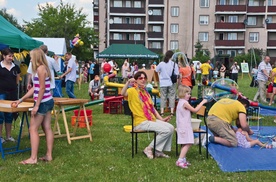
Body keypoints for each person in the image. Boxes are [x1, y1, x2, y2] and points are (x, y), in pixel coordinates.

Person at [14, 48, 54, 164]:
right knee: (47, 128)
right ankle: (49, 155)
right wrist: (20, 99)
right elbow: (34, 89)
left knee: (33, 129)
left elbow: (42, 88)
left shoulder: (41, 69)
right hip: (47, 101)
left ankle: (33, 158)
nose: (30, 59)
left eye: (31, 57)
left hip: (42, 102)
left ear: (36, 57)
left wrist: (36, 106)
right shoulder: (40, 69)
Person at [121, 71, 174, 159]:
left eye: (144, 78)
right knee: (166, 130)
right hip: (140, 122)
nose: (143, 80)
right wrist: (128, 82)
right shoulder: (132, 91)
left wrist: (161, 119)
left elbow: (152, 109)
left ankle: (158, 150)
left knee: (171, 128)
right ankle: (149, 148)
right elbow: (123, 93)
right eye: (140, 78)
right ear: (136, 80)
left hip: (150, 119)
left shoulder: (146, 92)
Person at [175, 85, 207, 168]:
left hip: (182, 125)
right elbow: (195, 110)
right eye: (188, 93)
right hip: (184, 126)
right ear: (182, 94)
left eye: (190, 93)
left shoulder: (181, 101)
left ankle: (183, 159)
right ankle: (180, 160)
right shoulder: (185, 103)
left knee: (185, 142)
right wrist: (202, 103)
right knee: (189, 142)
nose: (189, 95)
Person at [0, 48, 21, 143]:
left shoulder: (16, 67)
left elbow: (17, 79)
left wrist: (14, 87)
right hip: (1, 93)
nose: (11, 58)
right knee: (0, 115)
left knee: (9, 114)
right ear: (4, 56)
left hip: (12, 93)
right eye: (9, 56)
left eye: (12, 56)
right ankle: (0, 137)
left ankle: (8, 136)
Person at [155, 50, 179, 116]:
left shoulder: (161, 63)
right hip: (171, 83)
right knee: (172, 97)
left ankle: (162, 111)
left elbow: (156, 70)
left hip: (163, 83)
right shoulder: (174, 64)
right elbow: (177, 74)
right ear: (172, 56)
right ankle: (171, 111)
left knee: (163, 97)